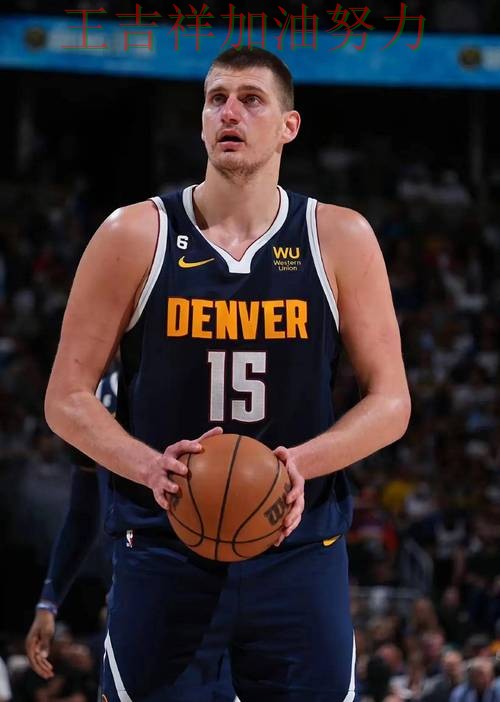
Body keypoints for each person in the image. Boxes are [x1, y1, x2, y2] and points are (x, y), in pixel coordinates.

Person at [44, 47, 410, 701]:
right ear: (201, 120)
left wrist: (297, 465)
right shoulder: (135, 234)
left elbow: (392, 402)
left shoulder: (338, 238)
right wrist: (149, 466)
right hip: (163, 543)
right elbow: (66, 398)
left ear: (289, 126)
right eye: (216, 99)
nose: (229, 113)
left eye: (251, 99)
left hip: (298, 546)